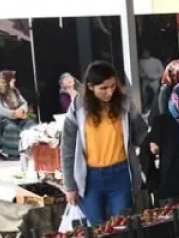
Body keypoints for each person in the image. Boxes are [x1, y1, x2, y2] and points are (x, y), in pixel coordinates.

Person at [61, 61, 147, 224]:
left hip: (121, 174)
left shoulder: (124, 103)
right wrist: (70, 186)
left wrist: (141, 154)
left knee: (122, 226)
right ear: (90, 86)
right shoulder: (77, 107)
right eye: (104, 88)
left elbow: (141, 132)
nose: (110, 92)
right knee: (97, 229)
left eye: (113, 86)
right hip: (89, 178)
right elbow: (67, 149)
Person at [0, 70, 35, 159]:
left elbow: (24, 102)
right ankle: (13, 154)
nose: (14, 81)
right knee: (11, 128)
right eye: (12, 79)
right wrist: (14, 114)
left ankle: (30, 150)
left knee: (31, 125)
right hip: (3, 121)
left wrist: (21, 110)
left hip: (18, 118)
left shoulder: (15, 91)